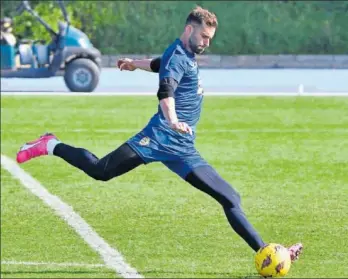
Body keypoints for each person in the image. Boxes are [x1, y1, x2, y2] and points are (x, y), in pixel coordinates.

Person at [16, 6, 303, 263]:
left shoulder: (182, 53)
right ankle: (50, 144)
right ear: (189, 29)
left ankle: (268, 252)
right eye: (203, 36)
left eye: (210, 39)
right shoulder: (179, 56)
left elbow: (159, 63)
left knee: (230, 198)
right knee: (100, 171)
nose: (206, 43)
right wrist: (174, 120)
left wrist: (134, 63)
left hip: (182, 149)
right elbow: (166, 90)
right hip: (158, 138)